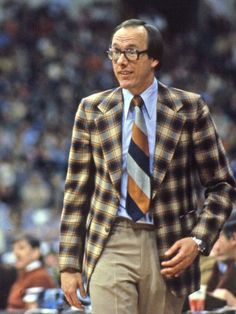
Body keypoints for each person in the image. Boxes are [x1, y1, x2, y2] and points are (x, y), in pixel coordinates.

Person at [59, 19, 236, 314]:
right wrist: (68, 264)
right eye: (115, 52)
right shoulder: (91, 109)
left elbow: (222, 186)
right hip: (110, 239)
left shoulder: (190, 108)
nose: (121, 61)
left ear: (154, 59)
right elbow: (76, 192)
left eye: (131, 52)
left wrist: (198, 239)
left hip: (169, 246)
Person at [7, 233, 56, 310]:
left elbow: (32, 311)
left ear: (35, 252)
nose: (15, 253)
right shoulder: (26, 274)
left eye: (21, 248)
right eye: (13, 249)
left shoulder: (39, 277)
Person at [206, 210, 236, 307]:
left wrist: (233, 302)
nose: (213, 244)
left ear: (233, 238)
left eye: (217, 237)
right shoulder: (227, 263)